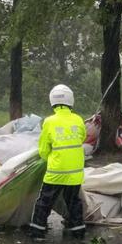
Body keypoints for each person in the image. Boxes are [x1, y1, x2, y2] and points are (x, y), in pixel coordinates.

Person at [29, 84, 87, 235]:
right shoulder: (79, 119)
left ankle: (37, 231)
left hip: (56, 172)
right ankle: (78, 230)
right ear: (71, 100)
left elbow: (43, 149)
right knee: (74, 202)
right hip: (75, 174)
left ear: (52, 101)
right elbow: (82, 137)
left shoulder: (49, 121)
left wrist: (47, 157)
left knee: (44, 202)